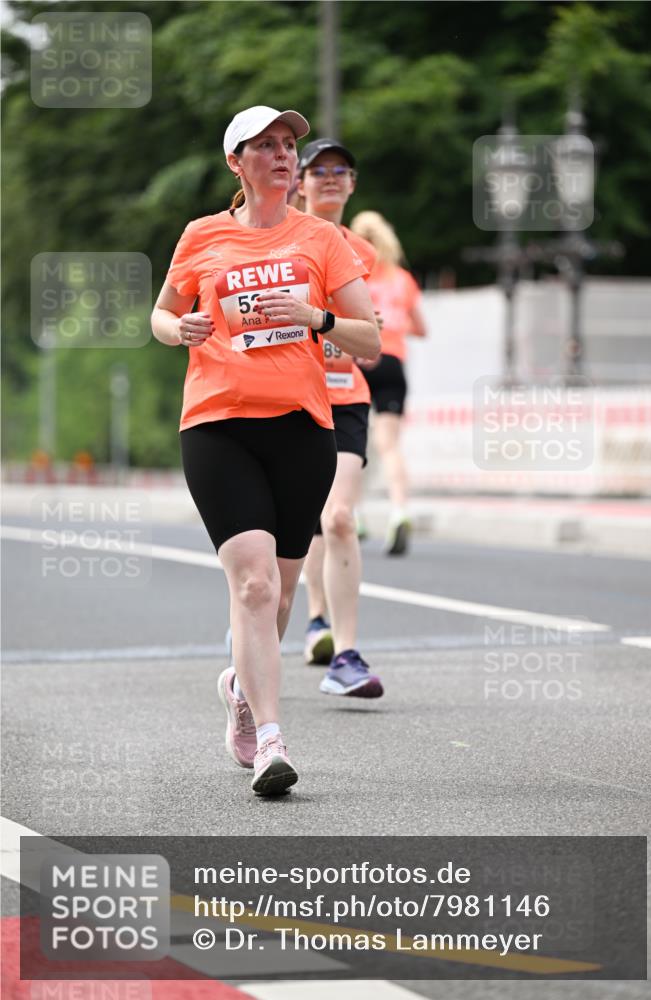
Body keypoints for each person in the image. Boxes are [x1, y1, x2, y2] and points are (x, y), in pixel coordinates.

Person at [151, 107, 380, 796]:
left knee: (278, 590)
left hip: (302, 428)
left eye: (289, 146)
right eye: (266, 146)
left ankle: (242, 689)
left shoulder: (322, 239)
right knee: (251, 582)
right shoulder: (202, 236)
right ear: (236, 162)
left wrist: (317, 318)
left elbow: (368, 338)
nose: (283, 156)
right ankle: (271, 742)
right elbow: (161, 314)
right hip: (217, 423)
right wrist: (179, 328)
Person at [295, 138, 383, 698]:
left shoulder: (360, 253)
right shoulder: (274, 238)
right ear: (299, 181)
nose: (330, 178)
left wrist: (343, 330)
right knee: (298, 524)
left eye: (341, 170)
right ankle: (309, 616)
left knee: (340, 518)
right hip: (287, 397)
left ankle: (343, 654)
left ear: (352, 184)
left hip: (345, 394)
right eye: (318, 169)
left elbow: (368, 340)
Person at [349, 211, 427, 556]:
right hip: (393, 362)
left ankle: (354, 513)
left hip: (357, 361)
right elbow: (421, 328)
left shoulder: (355, 275)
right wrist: (396, 326)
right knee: (389, 445)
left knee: (353, 444)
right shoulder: (403, 280)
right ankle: (399, 511)